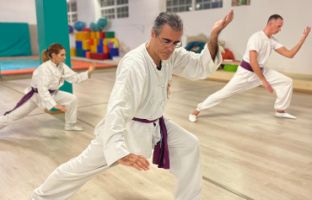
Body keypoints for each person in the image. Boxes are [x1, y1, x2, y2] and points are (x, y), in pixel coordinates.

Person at [31, 10, 233, 200]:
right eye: (166, 41)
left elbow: (199, 67)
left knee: (190, 145)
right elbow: (118, 108)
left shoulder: (171, 54)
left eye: (175, 42)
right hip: (125, 128)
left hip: (155, 125)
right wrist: (119, 150)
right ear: (153, 34)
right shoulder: (134, 64)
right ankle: (39, 196)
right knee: (79, 169)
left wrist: (214, 35)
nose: (171, 48)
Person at [189, 14, 311, 122]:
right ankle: (197, 110)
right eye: (279, 26)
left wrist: (303, 38)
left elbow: (290, 54)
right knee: (224, 93)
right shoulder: (256, 38)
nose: (280, 29)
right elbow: (253, 62)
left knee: (286, 82)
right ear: (270, 23)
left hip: (261, 71)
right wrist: (264, 81)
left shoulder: (272, 41)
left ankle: (280, 110)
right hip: (246, 73)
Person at [0, 43, 95, 131]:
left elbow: (74, 78)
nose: (65, 57)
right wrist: (55, 105)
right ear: (53, 55)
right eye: (62, 55)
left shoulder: (61, 66)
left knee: (72, 99)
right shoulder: (44, 69)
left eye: (64, 55)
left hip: (53, 93)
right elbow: (42, 90)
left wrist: (88, 73)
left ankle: (70, 125)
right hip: (36, 96)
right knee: (15, 115)